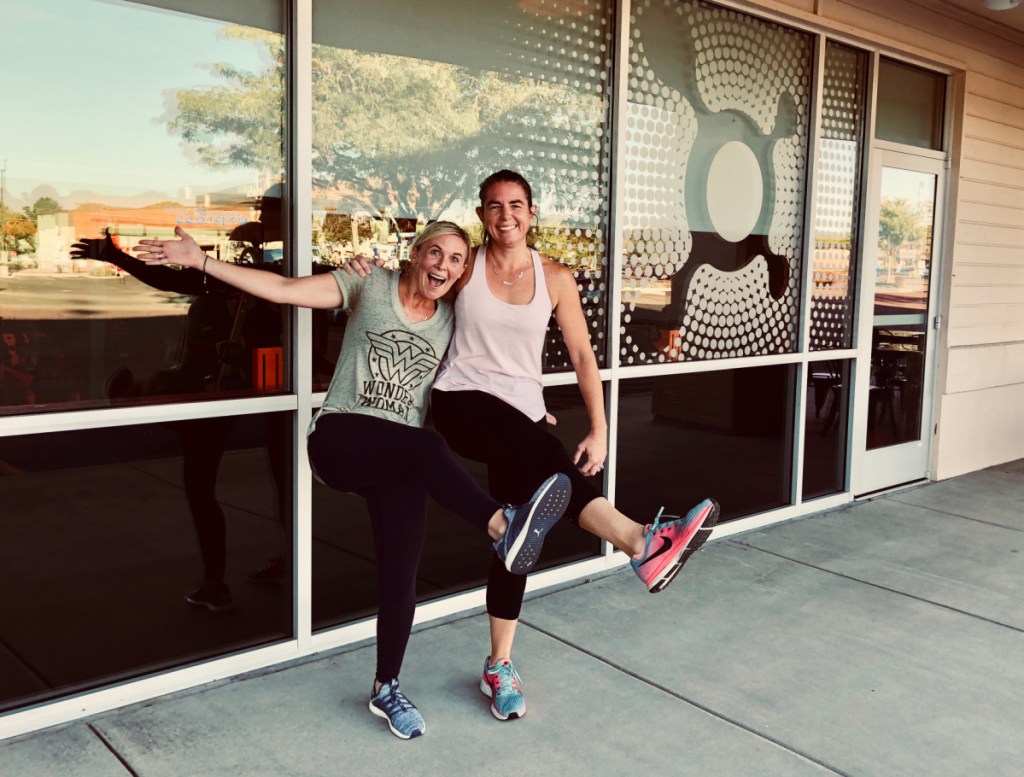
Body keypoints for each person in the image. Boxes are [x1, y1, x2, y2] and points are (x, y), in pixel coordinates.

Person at [133, 221, 572, 740]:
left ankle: (387, 687)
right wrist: (200, 261)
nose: (445, 267)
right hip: (341, 439)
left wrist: (528, 413)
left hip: (400, 457)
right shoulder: (369, 284)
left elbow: (494, 368)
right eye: (436, 253)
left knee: (400, 578)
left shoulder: (454, 317)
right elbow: (282, 290)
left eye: (456, 261)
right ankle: (503, 526)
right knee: (428, 445)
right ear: (414, 254)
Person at [344, 170, 719, 722]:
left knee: (520, 534)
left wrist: (600, 427)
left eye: (516, 205)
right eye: (494, 206)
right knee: (539, 476)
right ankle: (641, 541)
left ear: (532, 212)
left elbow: (584, 356)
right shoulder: (465, 264)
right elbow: (418, 275)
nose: (506, 215)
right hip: (460, 403)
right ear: (482, 214)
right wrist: (364, 271)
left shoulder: (555, 278)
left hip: (520, 419)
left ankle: (499, 666)